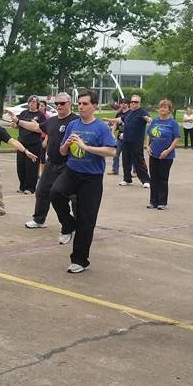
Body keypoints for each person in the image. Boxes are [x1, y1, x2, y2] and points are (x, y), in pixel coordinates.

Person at [51, 90, 117, 273]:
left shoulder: (101, 127)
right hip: (72, 171)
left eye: (85, 104)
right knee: (55, 193)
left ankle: (80, 260)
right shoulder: (72, 125)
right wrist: (65, 145)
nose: (81, 107)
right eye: (79, 103)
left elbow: (111, 151)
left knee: (86, 220)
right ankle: (68, 225)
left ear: (94, 106)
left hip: (92, 178)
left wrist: (85, 146)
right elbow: (63, 152)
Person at [17, 92, 77, 229]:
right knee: (42, 191)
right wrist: (18, 121)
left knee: (71, 196)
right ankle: (39, 219)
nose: (59, 106)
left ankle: (76, 224)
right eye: (56, 104)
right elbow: (36, 127)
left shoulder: (75, 121)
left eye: (62, 103)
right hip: (52, 164)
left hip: (69, 165)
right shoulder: (52, 121)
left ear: (69, 104)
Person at [146, 99, 181, 209]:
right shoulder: (155, 121)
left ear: (169, 110)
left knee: (163, 179)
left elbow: (176, 138)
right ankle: (153, 201)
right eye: (161, 106)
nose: (162, 109)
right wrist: (147, 146)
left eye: (165, 107)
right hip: (154, 154)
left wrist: (168, 150)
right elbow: (149, 135)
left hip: (166, 156)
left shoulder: (173, 123)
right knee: (154, 178)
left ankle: (162, 202)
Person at [11, 96, 47, 193]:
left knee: (31, 166)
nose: (32, 103)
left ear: (37, 104)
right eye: (30, 101)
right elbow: (18, 125)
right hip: (22, 144)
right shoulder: (23, 113)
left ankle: (30, 187)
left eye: (34, 101)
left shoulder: (40, 115)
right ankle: (22, 186)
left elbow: (41, 129)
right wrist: (14, 125)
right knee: (21, 165)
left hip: (34, 144)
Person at [114, 95, 151, 188]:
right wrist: (109, 120)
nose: (133, 103)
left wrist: (148, 119)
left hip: (136, 141)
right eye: (132, 102)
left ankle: (146, 180)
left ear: (139, 103)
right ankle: (127, 179)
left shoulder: (142, 112)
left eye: (136, 102)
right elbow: (121, 120)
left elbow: (148, 118)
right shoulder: (129, 113)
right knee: (126, 160)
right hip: (126, 140)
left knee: (139, 160)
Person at [108, 102, 128, 174]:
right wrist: (112, 133)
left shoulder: (130, 113)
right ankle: (115, 170)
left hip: (128, 138)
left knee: (131, 155)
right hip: (120, 137)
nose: (123, 104)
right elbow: (115, 123)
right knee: (116, 154)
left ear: (128, 104)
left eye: (125, 103)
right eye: (122, 103)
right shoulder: (119, 113)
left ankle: (135, 171)